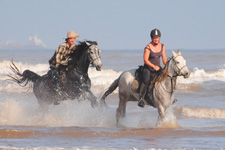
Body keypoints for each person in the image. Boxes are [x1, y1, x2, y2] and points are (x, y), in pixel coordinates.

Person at [138, 28, 167, 107]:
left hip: (158, 68)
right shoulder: (148, 47)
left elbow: (164, 58)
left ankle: (167, 98)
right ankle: (141, 99)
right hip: (148, 68)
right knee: (146, 80)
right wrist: (154, 66)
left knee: (166, 78)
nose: (156, 39)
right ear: (152, 38)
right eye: (155, 38)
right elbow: (145, 60)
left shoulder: (162, 46)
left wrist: (167, 65)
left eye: (157, 38)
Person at [49, 31, 79, 105]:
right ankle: (56, 95)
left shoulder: (74, 47)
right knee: (56, 77)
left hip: (64, 65)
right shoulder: (62, 46)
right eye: (71, 38)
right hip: (55, 65)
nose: (72, 40)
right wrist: (69, 63)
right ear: (67, 39)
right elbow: (58, 61)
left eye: (74, 38)